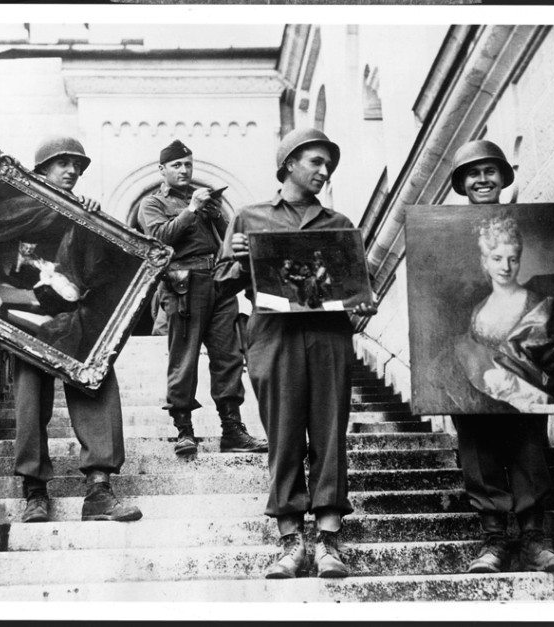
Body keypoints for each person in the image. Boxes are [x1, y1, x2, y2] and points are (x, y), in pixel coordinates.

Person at [214, 128, 376, 579]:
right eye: (315, 163)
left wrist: (365, 300)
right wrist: (236, 255)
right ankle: (290, 542)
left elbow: (360, 289)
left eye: (328, 166)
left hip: (328, 337)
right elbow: (223, 285)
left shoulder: (339, 224)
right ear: (288, 164)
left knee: (329, 433)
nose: (324, 172)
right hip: (273, 336)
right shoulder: (250, 217)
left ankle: (328, 541)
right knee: (283, 436)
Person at [446, 139, 554, 573]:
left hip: (526, 393)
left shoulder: (539, 296)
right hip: (474, 394)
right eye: (472, 173)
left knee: (529, 452)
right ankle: (494, 541)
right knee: (478, 456)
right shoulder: (446, 245)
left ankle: (535, 539)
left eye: (490, 171)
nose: (482, 179)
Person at [5, 136, 142, 524]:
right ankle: (34, 490)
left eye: (77, 166)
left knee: (96, 385)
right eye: (62, 163)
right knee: (30, 403)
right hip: (28, 319)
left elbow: (103, 272)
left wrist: (93, 225)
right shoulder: (17, 212)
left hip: (79, 321)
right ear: (41, 169)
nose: (72, 171)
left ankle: (99, 489)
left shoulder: (84, 215)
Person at [138, 140, 267, 457]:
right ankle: (184, 430)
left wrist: (218, 215)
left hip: (220, 283)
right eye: (177, 165)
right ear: (162, 170)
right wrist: (192, 209)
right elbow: (159, 240)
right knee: (184, 358)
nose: (184, 170)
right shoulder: (152, 204)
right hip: (184, 284)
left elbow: (228, 241)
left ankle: (233, 430)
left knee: (229, 356)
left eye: (188, 165)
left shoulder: (206, 203)